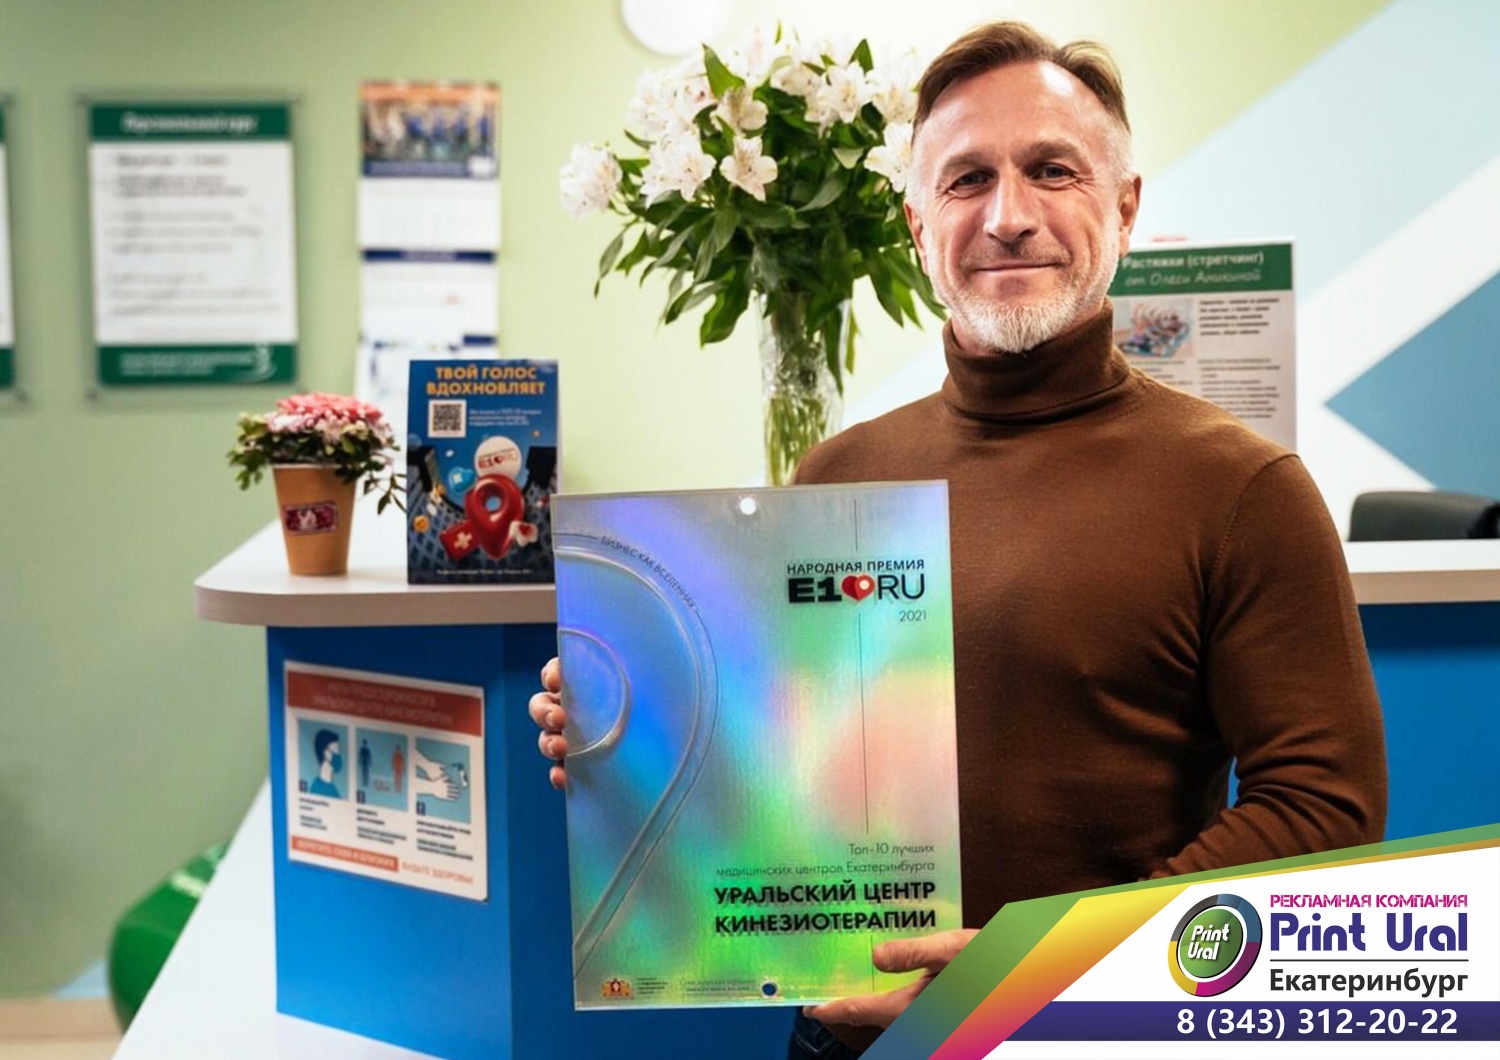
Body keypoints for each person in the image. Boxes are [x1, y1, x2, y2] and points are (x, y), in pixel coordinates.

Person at [532, 20, 1387, 1057]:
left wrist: (1038, 974)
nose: (1008, 216)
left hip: (1098, 1036)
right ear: (917, 225)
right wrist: (635, 733)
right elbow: (777, 770)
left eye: (1052, 170)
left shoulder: (1243, 489)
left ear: (1124, 206)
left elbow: (1324, 811)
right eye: (967, 179)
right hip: (851, 1037)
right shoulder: (837, 477)